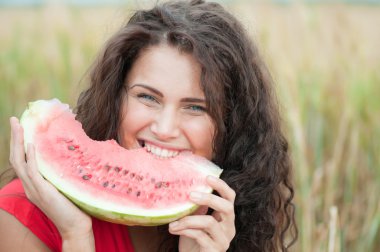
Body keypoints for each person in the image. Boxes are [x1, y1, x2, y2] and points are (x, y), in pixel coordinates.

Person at [0, 0, 297, 251]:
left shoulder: (235, 222)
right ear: (116, 99)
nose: (165, 128)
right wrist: (76, 236)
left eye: (195, 107)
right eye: (147, 97)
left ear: (232, 123)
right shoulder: (22, 216)